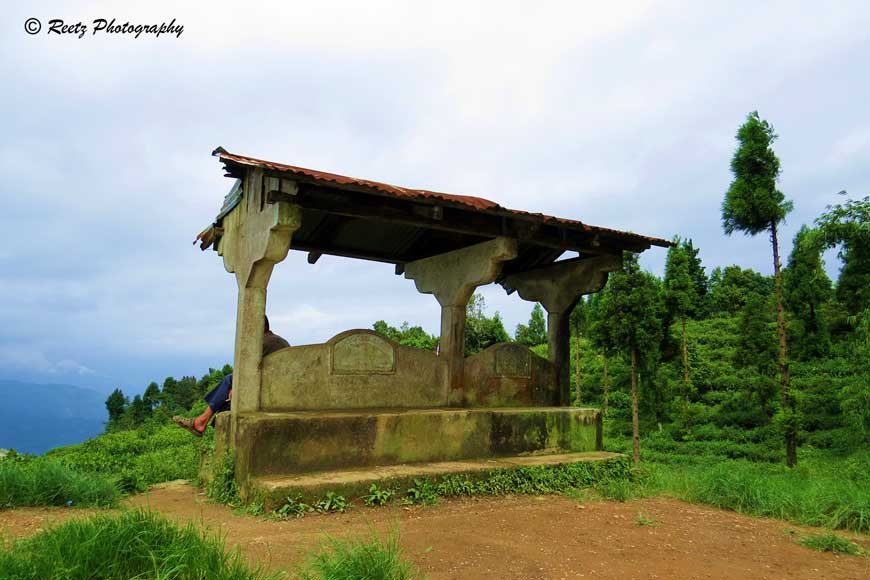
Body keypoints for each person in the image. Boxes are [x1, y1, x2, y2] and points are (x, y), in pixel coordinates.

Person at [173, 315, 289, 437]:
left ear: (259, 327)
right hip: (277, 386)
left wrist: (237, 387)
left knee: (229, 382)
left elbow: (245, 371)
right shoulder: (281, 341)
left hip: (266, 390)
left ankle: (201, 423)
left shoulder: (261, 343)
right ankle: (202, 422)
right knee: (227, 396)